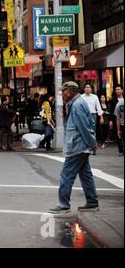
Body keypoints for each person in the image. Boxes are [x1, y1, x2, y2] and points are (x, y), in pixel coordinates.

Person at [49, 81, 99, 214]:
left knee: (66, 175)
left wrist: (92, 143)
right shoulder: (76, 103)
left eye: (63, 92)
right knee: (85, 174)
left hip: (78, 146)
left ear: (70, 92)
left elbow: (84, 127)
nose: (62, 94)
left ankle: (64, 204)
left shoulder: (77, 105)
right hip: (80, 145)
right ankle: (92, 202)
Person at [81, 83, 103, 155]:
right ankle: (87, 148)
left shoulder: (95, 97)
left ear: (91, 89)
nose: (87, 88)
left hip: (93, 116)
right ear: (84, 89)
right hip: (84, 116)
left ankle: (93, 148)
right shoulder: (81, 97)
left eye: (89, 87)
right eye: (86, 87)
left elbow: (98, 107)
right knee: (85, 132)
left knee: (93, 132)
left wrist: (101, 117)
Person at [110, 85, 123, 155]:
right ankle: (121, 150)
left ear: (122, 90)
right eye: (116, 89)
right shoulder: (113, 100)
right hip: (117, 119)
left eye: (118, 89)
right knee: (119, 134)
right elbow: (111, 111)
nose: (117, 91)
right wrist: (111, 121)